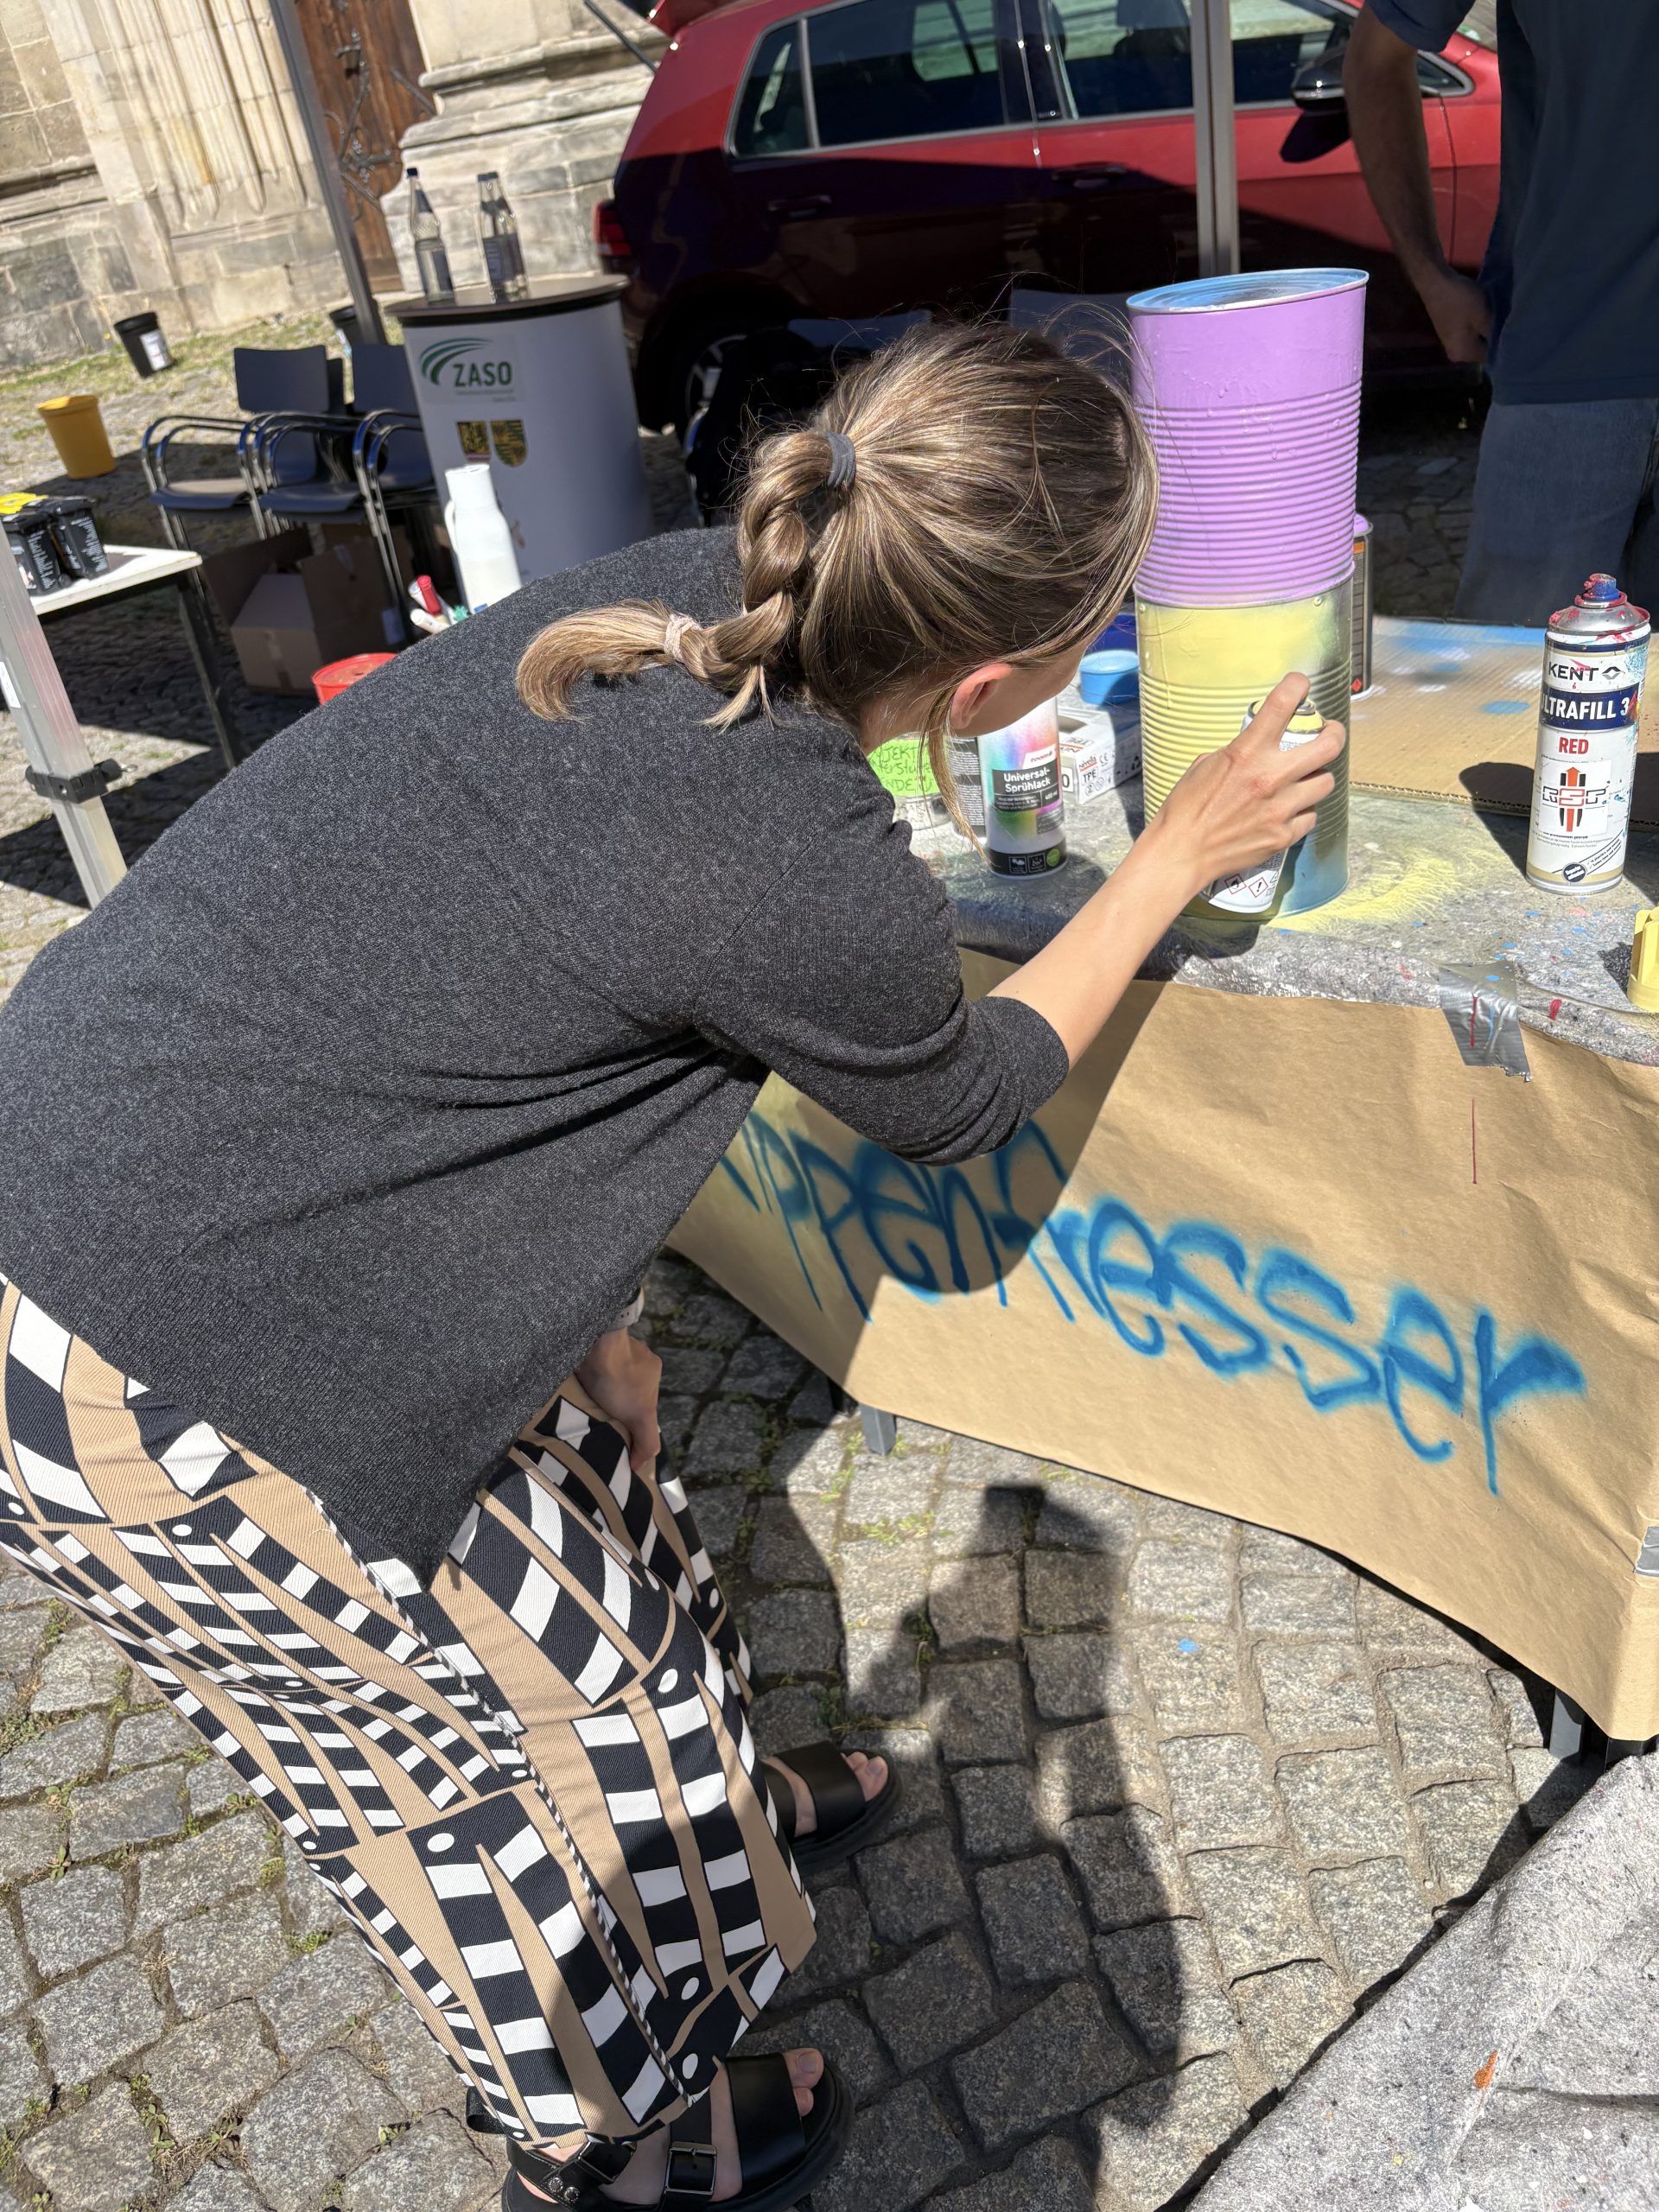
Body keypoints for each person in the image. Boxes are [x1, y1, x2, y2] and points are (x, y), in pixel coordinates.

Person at [0, 322, 1338, 2209]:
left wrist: (587, 1319)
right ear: (990, 681)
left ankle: (717, 1829)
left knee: (622, 1531)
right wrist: (1170, 858)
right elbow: (962, 1094)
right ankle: (624, 2140)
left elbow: (505, 977)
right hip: (140, 1327)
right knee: (475, 1764)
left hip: (199, 1153)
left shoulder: (680, 593)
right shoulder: (797, 843)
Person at [1344, 1, 1659, 624]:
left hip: (1562, 370)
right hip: (1563, 370)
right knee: (1510, 679)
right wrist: (1429, 275)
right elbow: (1375, 59)